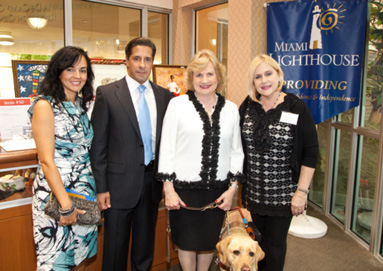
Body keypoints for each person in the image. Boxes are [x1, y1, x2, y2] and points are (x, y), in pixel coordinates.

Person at [157, 49, 244, 271]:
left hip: (218, 193)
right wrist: (169, 190)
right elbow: (167, 147)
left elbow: (237, 151)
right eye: (198, 75)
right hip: (184, 192)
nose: (204, 80)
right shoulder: (177, 106)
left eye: (209, 74)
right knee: (186, 243)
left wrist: (232, 190)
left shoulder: (232, 109)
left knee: (208, 243)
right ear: (191, 78)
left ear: (219, 78)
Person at [90, 37, 173, 271]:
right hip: (117, 186)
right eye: (136, 58)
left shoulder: (164, 96)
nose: (142, 65)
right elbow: (98, 146)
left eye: (147, 59)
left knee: (144, 251)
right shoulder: (107, 93)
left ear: (153, 63)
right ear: (126, 61)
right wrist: (101, 187)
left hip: (151, 184)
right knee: (115, 251)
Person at [239, 54, 319, 271]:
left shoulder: (296, 107)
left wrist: (301, 192)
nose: (264, 80)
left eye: (268, 73)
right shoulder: (247, 106)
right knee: (257, 243)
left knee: (275, 245)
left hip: (284, 194)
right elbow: (237, 146)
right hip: (254, 193)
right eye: (258, 76)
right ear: (252, 82)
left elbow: (311, 153)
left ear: (278, 75)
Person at [28, 46, 97, 270]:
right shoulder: (44, 106)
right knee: (56, 262)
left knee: (80, 256)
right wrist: (66, 206)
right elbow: (46, 161)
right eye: (70, 69)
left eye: (83, 70)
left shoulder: (80, 105)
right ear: (58, 72)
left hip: (84, 194)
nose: (78, 76)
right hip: (56, 197)